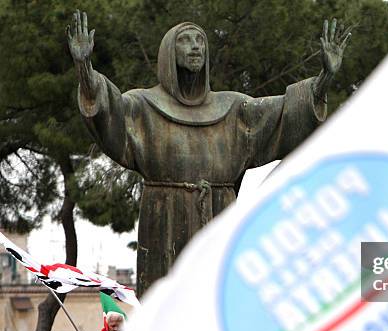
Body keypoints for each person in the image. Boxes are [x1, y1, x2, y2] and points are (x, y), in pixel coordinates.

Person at [66, 10, 351, 296]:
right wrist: (85, 69)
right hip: (164, 216)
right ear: (169, 54)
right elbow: (108, 111)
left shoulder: (233, 108)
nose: (195, 47)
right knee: (166, 302)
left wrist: (324, 77)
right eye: (186, 41)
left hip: (219, 214)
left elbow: (285, 114)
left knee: (217, 301)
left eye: (200, 41)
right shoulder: (143, 105)